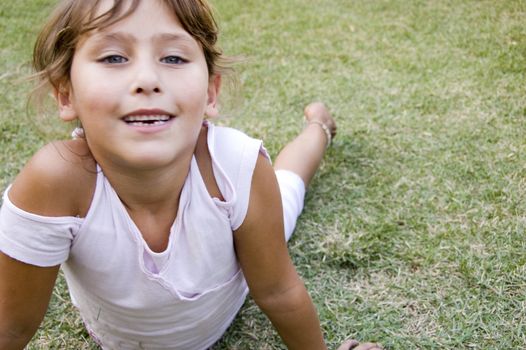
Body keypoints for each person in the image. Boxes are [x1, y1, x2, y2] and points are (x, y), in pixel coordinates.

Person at [0, 1, 382, 349]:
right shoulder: (54, 182)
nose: (147, 79)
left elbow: (279, 291)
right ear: (66, 94)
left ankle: (318, 129)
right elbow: (12, 327)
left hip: (240, 252)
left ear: (211, 94)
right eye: (115, 57)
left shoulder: (234, 168)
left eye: (174, 58)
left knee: (287, 187)